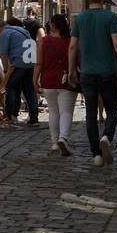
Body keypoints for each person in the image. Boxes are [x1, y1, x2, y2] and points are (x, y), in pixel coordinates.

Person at [69, 0, 117, 166]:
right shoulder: (110, 18)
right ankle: (107, 137)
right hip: (107, 72)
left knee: (90, 114)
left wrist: (71, 70)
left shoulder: (79, 19)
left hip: (87, 73)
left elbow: (72, 46)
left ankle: (96, 155)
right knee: (112, 109)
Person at [35, 13, 76, 155]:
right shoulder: (71, 40)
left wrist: (34, 80)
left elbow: (39, 63)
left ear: (52, 25)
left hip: (48, 79)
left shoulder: (43, 41)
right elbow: (77, 59)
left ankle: (54, 142)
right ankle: (63, 138)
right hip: (67, 80)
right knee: (66, 112)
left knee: (53, 111)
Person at [0, 13, 38, 128]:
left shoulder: (4, 33)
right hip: (30, 62)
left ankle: (10, 116)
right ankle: (34, 118)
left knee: (10, 88)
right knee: (29, 90)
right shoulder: (22, 30)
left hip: (18, 64)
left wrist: (5, 71)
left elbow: (4, 55)